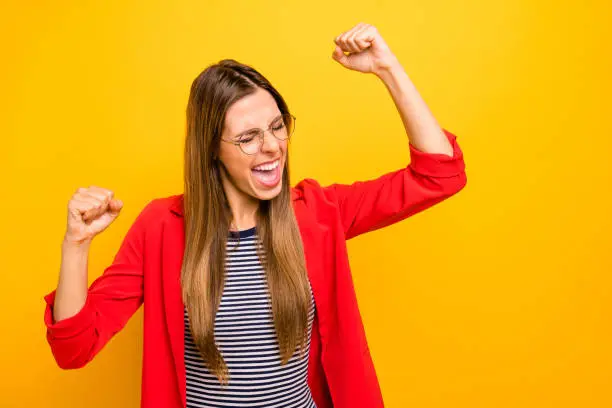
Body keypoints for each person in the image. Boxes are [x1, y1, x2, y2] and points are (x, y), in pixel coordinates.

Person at [43, 23, 467, 408]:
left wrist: (387, 68)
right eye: (248, 137)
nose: (271, 147)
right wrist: (76, 245)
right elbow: (74, 349)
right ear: (212, 150)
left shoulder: (319, 212)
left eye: (277, 126)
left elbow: (440, 175)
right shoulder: (161, 227)